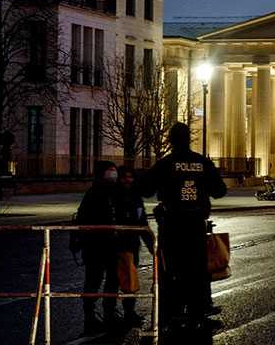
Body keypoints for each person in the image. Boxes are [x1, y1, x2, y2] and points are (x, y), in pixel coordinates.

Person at [141, 122, 227, 328]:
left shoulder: (166, 163)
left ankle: (171, 312)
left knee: (170, 269)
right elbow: (220, 191)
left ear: (170, 141)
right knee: (197, 271)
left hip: (172, 225)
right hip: (197, 225)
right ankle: (197, 313)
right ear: (189, 139)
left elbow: (145, 189)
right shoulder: (202, 163)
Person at [77, 160, 121, 333]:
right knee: (93, 281)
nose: (113, 174)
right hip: (95, 247)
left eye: (114, 171)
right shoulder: (94, 193)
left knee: (112, 280)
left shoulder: (114, 192)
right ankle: (90, 315)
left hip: (112, 246)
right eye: (110, 171)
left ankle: (109, 312)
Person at [116, 166, 153, 328]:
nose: (128, 180)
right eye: (124, 177)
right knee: (114, 280)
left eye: (130, 177)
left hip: (132, 244)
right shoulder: (114, 196)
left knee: (130, 279)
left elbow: (142, 223)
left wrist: (153, 246)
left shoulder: (136, 197)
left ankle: (129, 311)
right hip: (117, 245)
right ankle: (110, 313)